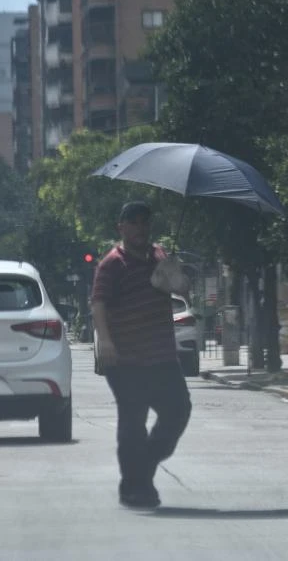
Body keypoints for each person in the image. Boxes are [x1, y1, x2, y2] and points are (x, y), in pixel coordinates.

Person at [90, 201, 193, 508]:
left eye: (144, 222)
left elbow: (183, 291)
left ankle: (143, 466)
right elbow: (98, 304)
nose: (140, 228)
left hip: (162, 355)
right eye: (133, 223)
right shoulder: (112, 263)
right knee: (133, 423)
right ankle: (134, 488)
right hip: (125, 359)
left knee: (178, 411)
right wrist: (105, 341)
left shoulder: (161, 256)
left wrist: (177, 276)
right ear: (121, 227)